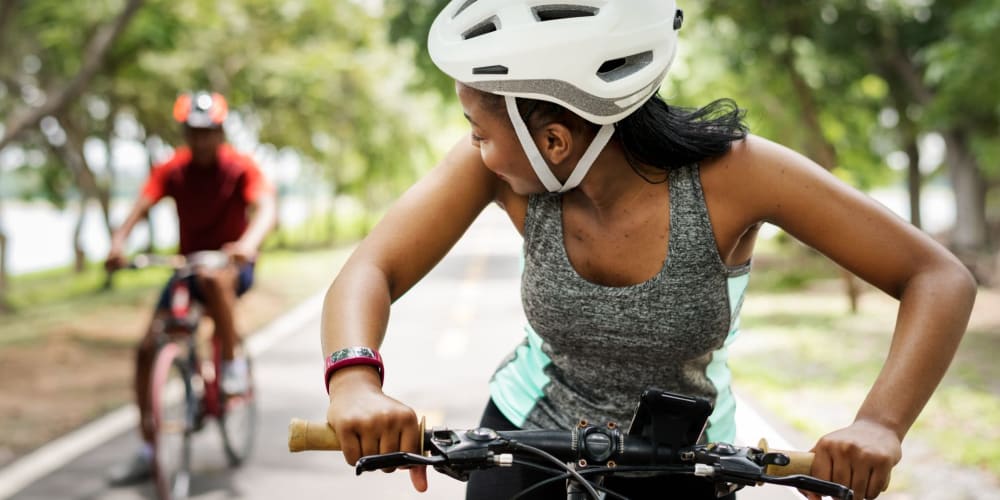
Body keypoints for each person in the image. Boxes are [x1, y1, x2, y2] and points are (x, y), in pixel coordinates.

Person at [320, 2, 976, 499]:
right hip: (526, 444)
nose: (475, 148)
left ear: (553, 140)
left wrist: (880, 424)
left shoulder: (736, 177)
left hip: (684, 463)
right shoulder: (497, 169)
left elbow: (936, 277)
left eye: (480, 131)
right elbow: (371, 268)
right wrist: (354, 382)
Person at [104, 90, 277, 485]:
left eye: (209, 132)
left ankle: (231, 366)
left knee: (214, 279)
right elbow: (139, 208)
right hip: (186, 267)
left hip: (231, 267)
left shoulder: (239, 167)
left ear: (220, 132)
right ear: (184, 133)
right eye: (194, 132)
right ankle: (148, 449)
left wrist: (247, 246)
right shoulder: (172, 169)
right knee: (147, 347)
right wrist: (118, 244)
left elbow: (267, 208)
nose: (201, 140)